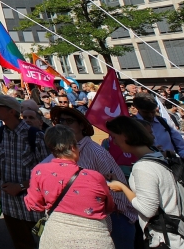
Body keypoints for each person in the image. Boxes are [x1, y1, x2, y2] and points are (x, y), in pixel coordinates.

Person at [47, 106, 137, 249]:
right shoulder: (61, 151)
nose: (64, 124)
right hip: (82, 218)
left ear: (82, 125)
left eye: (69, 121)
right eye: (60, 120)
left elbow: (116, 188)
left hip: (113, 218)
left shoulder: (95, 151)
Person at [25, 125, 115, 249]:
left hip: (57, 239)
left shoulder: (39, 171)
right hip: (94, 241)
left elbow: (34, 205)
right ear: (73, 147)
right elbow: (109, 207)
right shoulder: (96, 176)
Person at [105, 116, 184, 249]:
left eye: (114, 137)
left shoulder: (143, 167)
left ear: (125, 136)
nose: (114, 143)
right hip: (178, 235)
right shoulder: (158, 157)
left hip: (166, 239)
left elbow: (147, 209)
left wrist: (122, 188)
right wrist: (124, 186)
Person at [0, 92, 48, 249]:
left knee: (44, 244)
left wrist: (21, 186)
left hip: (33, 205)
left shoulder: (35, 136)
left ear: (11, 111)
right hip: (9, 205)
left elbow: (47, 174)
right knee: (21, 244)